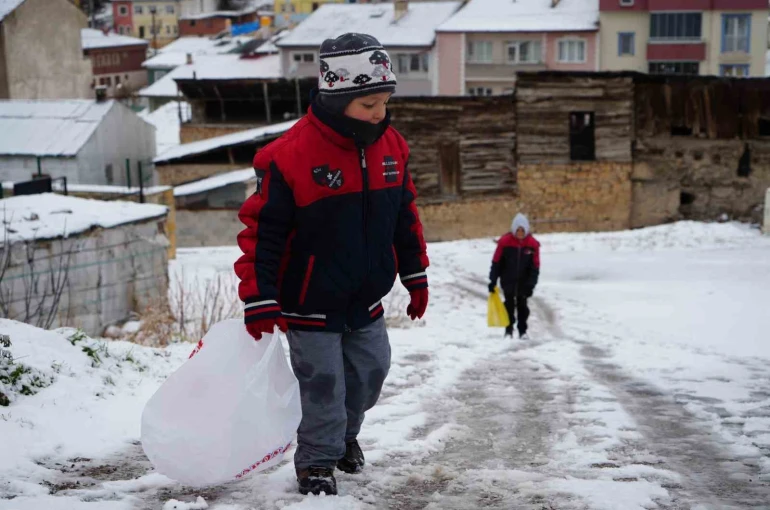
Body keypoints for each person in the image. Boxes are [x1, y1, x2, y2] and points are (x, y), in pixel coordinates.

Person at [233, 33, 430, 497]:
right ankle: (317, 463)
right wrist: (259, 296)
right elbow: (262, 233)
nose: (380, 113)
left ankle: (344, 436)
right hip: (308, 300)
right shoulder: (290, 157)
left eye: (384, 101)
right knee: (323, 384)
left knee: (371, 372)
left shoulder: (392, 147)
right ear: (336, 96)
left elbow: (405, 214)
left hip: (365, 297)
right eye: (369, 104)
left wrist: (414, 273)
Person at [488, 213, 540, 339]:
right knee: (509, 305)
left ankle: (522, 331)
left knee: (523, 306)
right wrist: (493, 280)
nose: (520, 233)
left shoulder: (532, 244)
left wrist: (531, 284)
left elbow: (535, 267)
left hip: (524, 281)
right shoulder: (505, 242)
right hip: (508, 280)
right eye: (518, 230)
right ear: (514, 229)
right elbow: (496, 262)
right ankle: (509, 329)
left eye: (523, 230)